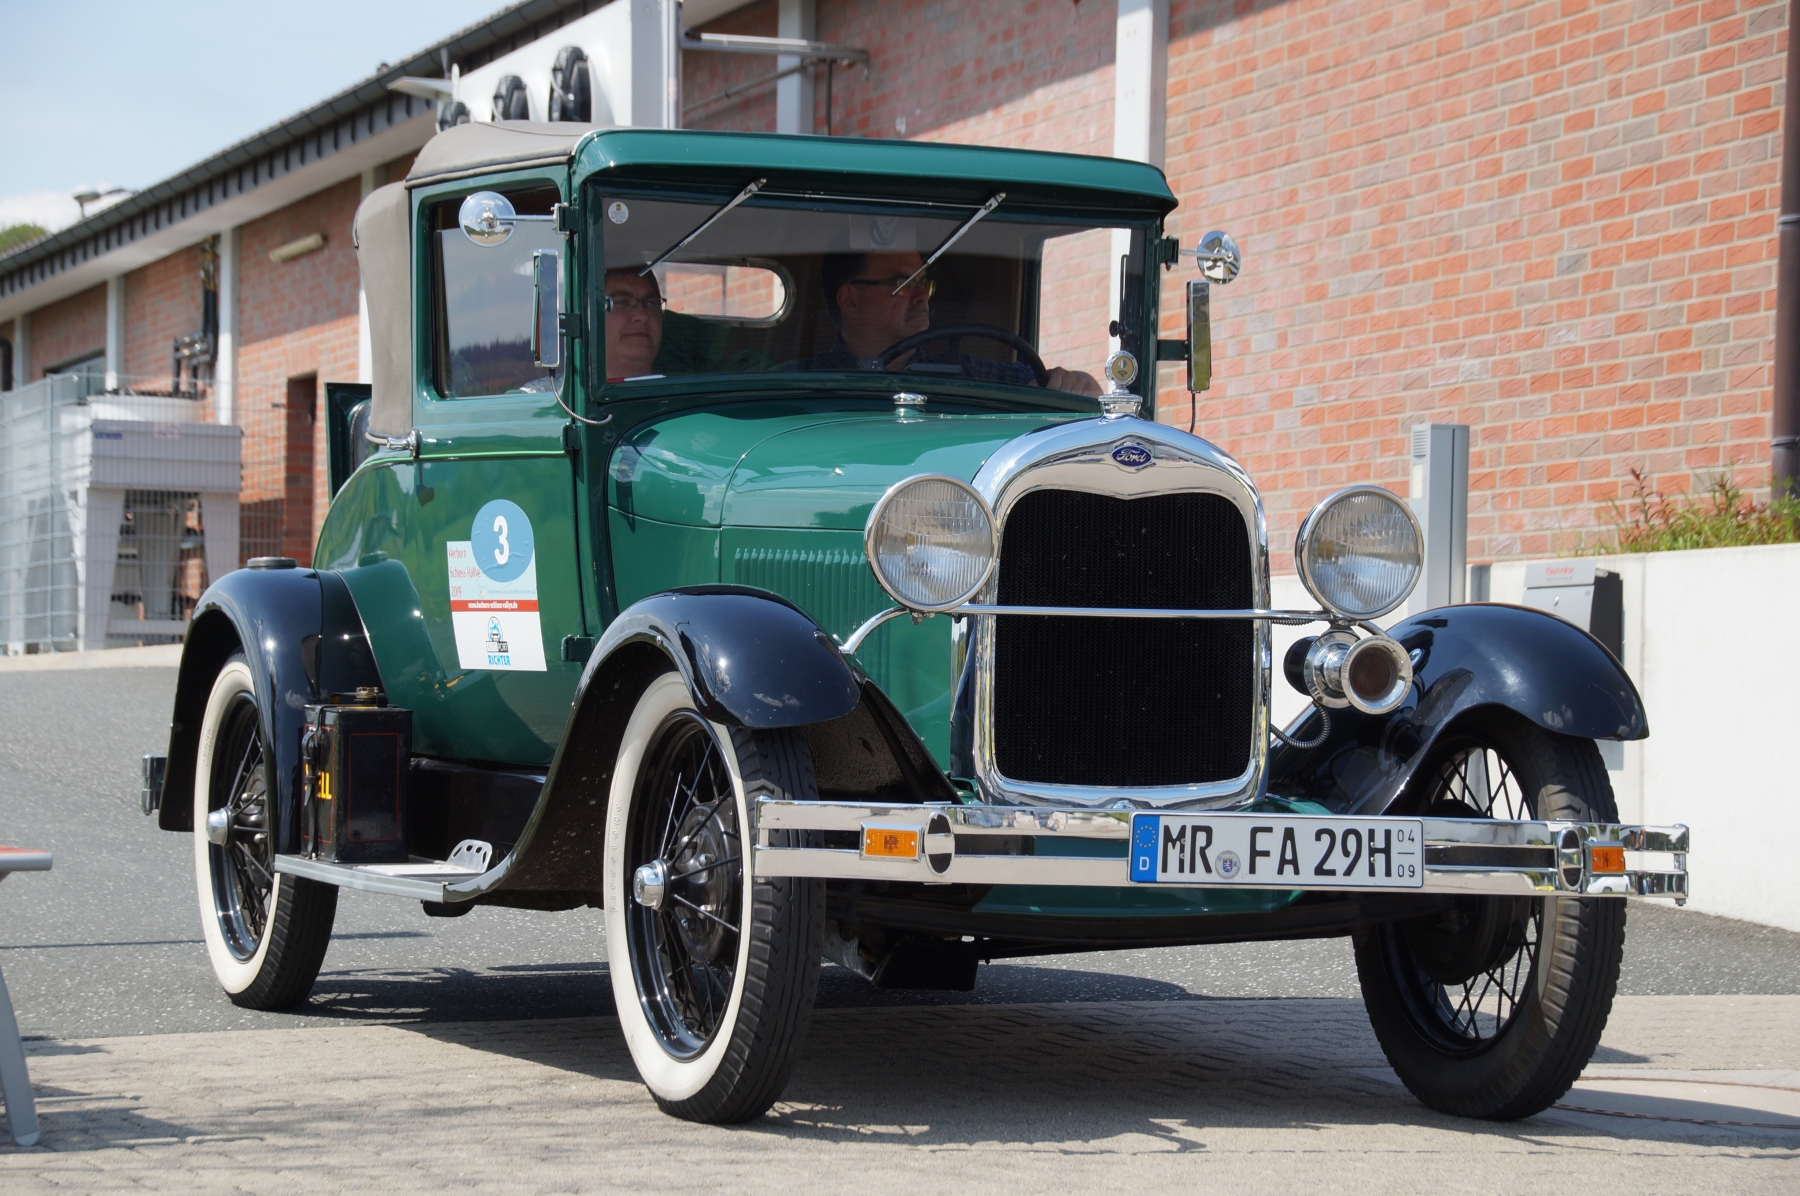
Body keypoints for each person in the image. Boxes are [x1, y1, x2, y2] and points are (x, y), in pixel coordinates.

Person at [801, 250, 1101, 396]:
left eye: (923, 283)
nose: (922, 296)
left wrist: (1078, 382)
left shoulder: (964, 374)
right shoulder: (800, 384)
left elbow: (1041, 384)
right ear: (851, 299)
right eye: (904, 284)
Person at [604, 267, 664, 381]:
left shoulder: (689, 388)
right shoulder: (571, 391)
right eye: (623, 302)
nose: (642, 316)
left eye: (651, 303)